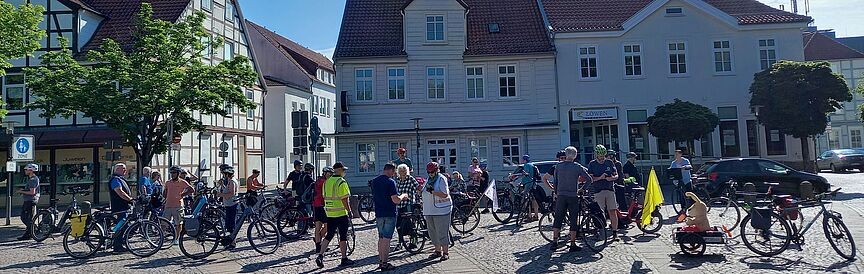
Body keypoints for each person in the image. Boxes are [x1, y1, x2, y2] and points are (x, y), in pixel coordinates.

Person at [549, 147, 593, 251]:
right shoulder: (577, 167)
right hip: (573, 195)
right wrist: (582, 189)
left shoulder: (558, 166)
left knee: (558, 217)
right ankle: (572, 243)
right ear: (575, 155)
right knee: (573, 219)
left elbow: (555, 181)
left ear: (566, 154)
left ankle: (555, 241)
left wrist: (556, 192)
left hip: (561, 195)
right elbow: (589, 179)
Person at [371, 163, 409, 270]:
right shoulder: (390, 182)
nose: (394, 174)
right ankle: (385, 263)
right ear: (391, 170)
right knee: (387, 239)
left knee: (381, 238)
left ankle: (380, 261)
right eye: (394, 171)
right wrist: (403, 196)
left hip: (379, 213)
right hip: (389, 213)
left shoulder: (374, 181)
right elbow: (395, 200)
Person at [316, 162, 354, 268]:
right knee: (343, 236)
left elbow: (324, 196)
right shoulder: (341, 182)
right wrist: (349, 211)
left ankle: (320, 255)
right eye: (344, 170)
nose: (345, 172)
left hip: (330, 213)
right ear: (340, 170)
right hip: (341, 213)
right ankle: (344, 258)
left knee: (329, 234)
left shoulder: (327, 182)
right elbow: (345, 200)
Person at [587, 145, 620, 241]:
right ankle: (601, 231)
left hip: (609, 189)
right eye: (600, 156)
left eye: (603, 156)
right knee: (599, 212)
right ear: (596, 155)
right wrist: (600, 178)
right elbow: (591, 178)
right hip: (598, 191)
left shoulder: (609, 162)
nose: (602, 158)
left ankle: (615, 232)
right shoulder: (592, 164)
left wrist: (612, 178)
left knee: (612, 211)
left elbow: (616, 175)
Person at [423, 162, 452, 261]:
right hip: (429, 209)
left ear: (437, 171)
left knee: (442, 232)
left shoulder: (441, 179)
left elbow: (445, 194)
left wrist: (433, 192)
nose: (430, 174)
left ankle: (446, 252)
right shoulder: (428, 180)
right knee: (432, 232)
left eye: (432, 172)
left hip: (441, 210)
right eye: (428, 172)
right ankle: (437, 251)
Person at [163, 166, 194, 245]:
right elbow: (165, 193)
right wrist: (164, 195)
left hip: (178, 206)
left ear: (178, 173)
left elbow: (192, 190)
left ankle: (176, 238)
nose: (172, 174)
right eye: (171, 173)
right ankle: (161, 237)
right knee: (164, 223)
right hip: (168, 205)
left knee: (178, 223)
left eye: (174, 173)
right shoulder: (168, 182)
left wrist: (182, 195)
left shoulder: (182, 182)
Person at [109, 163, 134, 252]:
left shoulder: (121, 179)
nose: (125, 170)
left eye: (125, 169)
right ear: (117, 169)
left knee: (124, 225)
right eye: (123, 168)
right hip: (119, 207)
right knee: (120, 226)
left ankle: (119, 242)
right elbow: (120, 192)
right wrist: (130, 199)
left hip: (124, 206)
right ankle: (117, 246)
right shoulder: (115, 179)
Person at [395, 164, 421, 249]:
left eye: (404, 171)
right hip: (400, 205)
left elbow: (418, 187)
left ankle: (413, 242)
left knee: (410, 224)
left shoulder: (410, 179)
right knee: (398, 224)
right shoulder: (398, 180)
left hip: (409, 204)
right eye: (401, 171)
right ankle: (400, 242)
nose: (403, 172)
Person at [509, 155, 541, 221]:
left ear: (525, 160)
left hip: (528, 184)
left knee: (526, 199)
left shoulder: (526, 165)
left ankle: (529, 216)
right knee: (534, 199)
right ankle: (536, 215)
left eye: (522, 159)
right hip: (534, 183)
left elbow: (525, 174)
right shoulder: (532, 165)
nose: (522, 160)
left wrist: (518, 178)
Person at [217, 165, 239, 249]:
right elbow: (227, 190)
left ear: (227, 174)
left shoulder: (232, 181)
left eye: (224, 173)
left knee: (231, 224)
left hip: (232, 205)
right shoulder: (229, 181)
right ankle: (230, 241)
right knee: (228, 224)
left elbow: (231, 194)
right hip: (229, 204)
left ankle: (233, 243)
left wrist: (220, 194)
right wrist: (222, 185)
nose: (223, 175)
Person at [312, 166, 333, 253]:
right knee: (328, 226)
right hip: (322, 205)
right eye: (329, 173)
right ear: (325, 173)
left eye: (331, 173)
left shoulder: (318, 180)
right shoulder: (324, 182)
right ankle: (320, 240)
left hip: (316, 205)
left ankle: (318, 245)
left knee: (318, 226)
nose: (331, 174)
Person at [17, 164, 41, 241]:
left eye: (26, 169)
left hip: (30, 201)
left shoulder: (33, 180)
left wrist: (21, 191)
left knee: (25, 218)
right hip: (30, 200)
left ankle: (34, 229)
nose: (25, 171)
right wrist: (23, 190)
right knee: (28, 218)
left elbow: (32, 192)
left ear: (31, 170)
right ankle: (29, 234)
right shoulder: (33, 179)